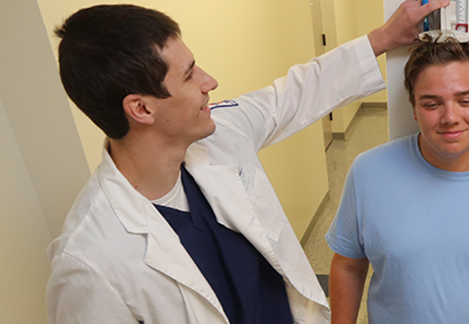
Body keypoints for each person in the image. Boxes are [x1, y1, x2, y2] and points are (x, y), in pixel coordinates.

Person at [45, 1, 448, 323]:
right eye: (188, 76)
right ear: (141, 109)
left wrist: (381, 38)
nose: (209, 81)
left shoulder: (219, 133)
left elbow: (288, 97)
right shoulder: (89, 263)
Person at [325, 36, 469, 324]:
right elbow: (348, 265)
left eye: (465, 101)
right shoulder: (368, 173)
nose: (450, 117)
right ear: (414, 108)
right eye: (432, 103)